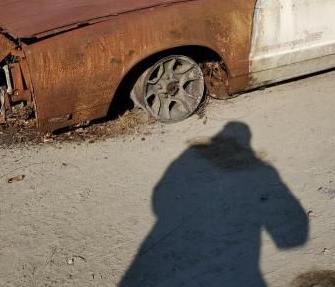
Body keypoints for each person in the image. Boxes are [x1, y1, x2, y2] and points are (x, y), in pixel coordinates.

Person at [118, 122, 309, 286]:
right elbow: (293, 238)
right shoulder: (265, 172)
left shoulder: (186, 159)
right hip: (236, 268)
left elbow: (158, 198)